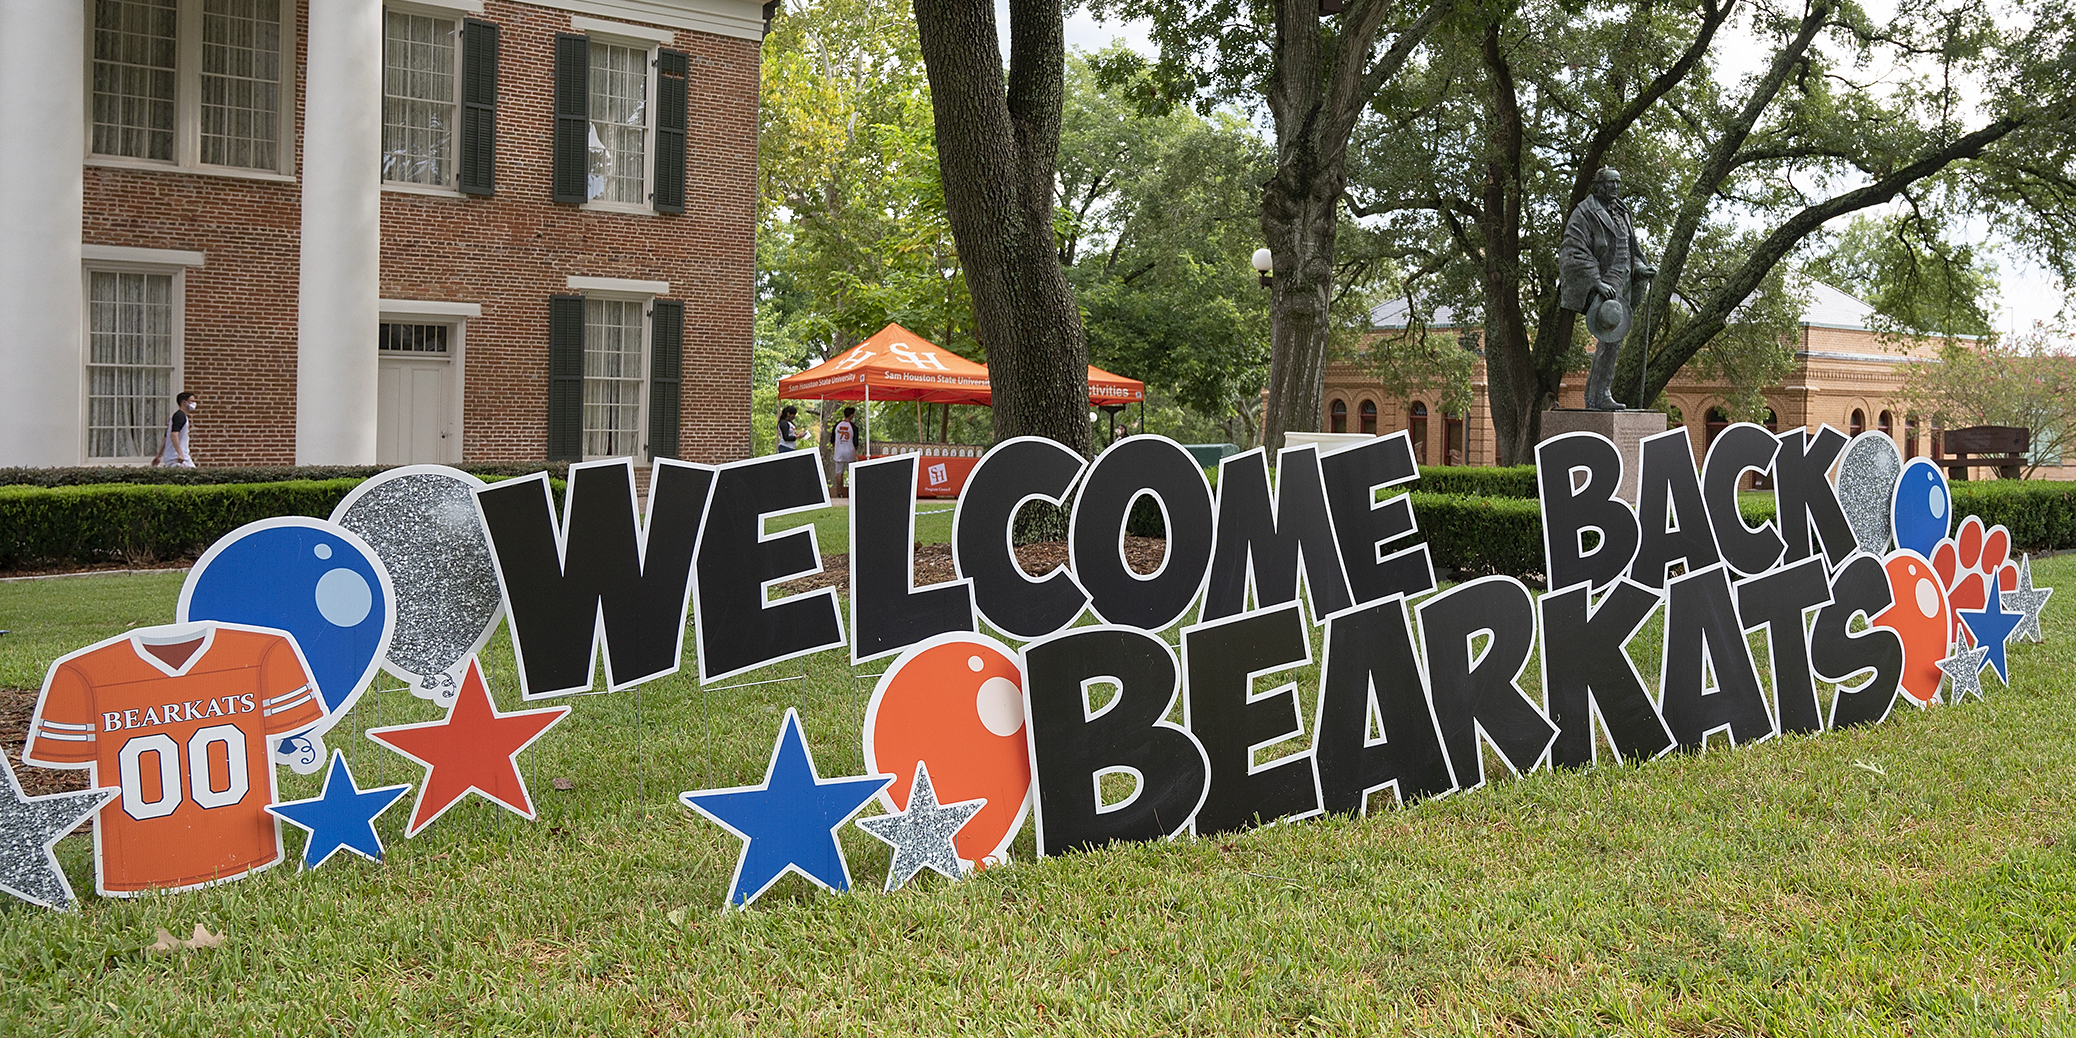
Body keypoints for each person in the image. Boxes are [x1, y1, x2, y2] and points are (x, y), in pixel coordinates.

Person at [1559, 168, 1655, 410]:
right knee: (1609, 338)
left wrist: (1640, 267)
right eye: (1611, 183)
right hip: (1607, 281)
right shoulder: (1585, 211)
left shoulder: (1623, 211)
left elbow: (1631, 247)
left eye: (1618, 182)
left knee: (1615, 340)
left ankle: (1597, 395)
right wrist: (1595, 281)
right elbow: (1573, 249)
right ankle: (1599, 395)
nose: (1615, 187)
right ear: (1599, 185)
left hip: (1626, 280)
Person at [152, 391, 198, 467]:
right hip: (177, 458)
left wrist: (159, 455)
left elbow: (166, 437)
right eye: (192, 401)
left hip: (179, 457)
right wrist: (179, 454)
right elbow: (173, 435)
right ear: (184, 402)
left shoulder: (175, 417)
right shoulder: (180, 416)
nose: (194, 403)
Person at [830, 406, 858, 497]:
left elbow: (832, 440)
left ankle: (839, 493)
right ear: (851, 415)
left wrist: (837, 447)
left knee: (839, 473)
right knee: (851, 473)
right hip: (850, 451)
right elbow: (856, 442)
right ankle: (851, 492)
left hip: (839, 451)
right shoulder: (853, 427)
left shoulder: (837, 425)